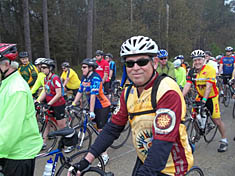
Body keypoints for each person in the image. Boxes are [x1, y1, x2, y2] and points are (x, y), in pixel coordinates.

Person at [68, 36, 193, 176]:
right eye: (130, 64)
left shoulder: (167, 90)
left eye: (142, 62)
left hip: (171, 166)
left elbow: (162, 143)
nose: (136, 68)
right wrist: (85, 160)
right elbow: (112, 129)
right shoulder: (128, 92)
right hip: (145, 159)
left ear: (155, 63)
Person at [0, 43, 43, 176]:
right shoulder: (7, 84)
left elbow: (9, 130)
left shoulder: (16, 90)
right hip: (10, 151)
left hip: (19, 154)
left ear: (6, 65)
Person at [183, 49, 228, 152]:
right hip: (200, 95)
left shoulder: (209, 69)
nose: (197, 62)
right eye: (195, 60)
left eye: (199, 60)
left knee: (217, 120)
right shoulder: (191, 71)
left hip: (211, 97)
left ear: (203, 60)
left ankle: (224, 140)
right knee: (193, 115)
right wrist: (180, 97)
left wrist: (204, 100)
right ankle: (198, 131)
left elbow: (208, 87)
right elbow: (188, 85)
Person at [71, 58, 111, 165]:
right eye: (82, 67)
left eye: (84, 67)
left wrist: (91, 111)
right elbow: (80, 91)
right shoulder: (85, 77)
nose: (82, 69)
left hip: (102, 106)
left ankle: (105, 155)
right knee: (96, 128)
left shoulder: (96, 78)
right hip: (94, 106)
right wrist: (73, 103)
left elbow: (93, 95)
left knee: (101, 132)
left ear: (90, 68)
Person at [37, 58, 67, 150]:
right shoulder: (46, 79)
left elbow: (59, 94)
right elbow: (46, 91)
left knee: (61, 126)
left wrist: (49, 103)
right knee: (47, 123)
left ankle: (68, 143)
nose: (42, 69)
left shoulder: (55, 78)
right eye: (41, 67)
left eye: (44, 67)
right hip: (51, 105)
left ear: (50, 68)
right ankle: (43, 142)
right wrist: (38, 101)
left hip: (58, 105)